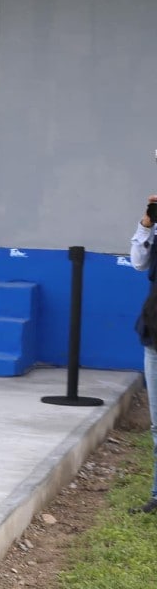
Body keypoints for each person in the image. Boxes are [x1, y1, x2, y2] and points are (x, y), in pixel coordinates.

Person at [128, 192, 157, 515]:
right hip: (154, 333)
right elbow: (138, 262)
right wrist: (146, 225)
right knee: (156, 425)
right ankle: (156, 494)